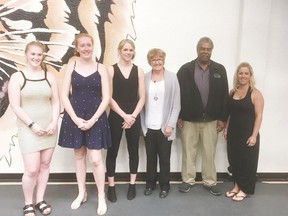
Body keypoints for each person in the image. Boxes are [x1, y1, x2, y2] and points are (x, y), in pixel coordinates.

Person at [58, 33, 111, 215]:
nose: (86, 48)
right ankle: (82, 192)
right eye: (82, 45)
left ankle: (101, 196)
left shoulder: (101, 68)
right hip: (75, 116)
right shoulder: (71, 66)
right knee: (79, 155)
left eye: (89, 45)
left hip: (96, 117)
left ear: (93, 46)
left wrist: (93, 119)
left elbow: (107, 98)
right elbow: (64, 95)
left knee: (96, 159)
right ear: (77, 48)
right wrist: (75, 118)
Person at [8, 41, 60, 216]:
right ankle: (28, 203)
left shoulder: (49, 76)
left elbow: (56, 101)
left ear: (43, 56)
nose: (36, 57)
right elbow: (15, 106)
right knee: (31, 169)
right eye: (33, 54)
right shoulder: (17, 77)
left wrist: (54, 122)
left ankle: (40, 200)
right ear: (26, 54)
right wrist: (32, 124)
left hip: (49, 128)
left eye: (39, 54)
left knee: (45, 165)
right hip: (29, 128)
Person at [177, 37, 229, 196]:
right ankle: (187, 180)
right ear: (197, 49)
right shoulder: (185, 70)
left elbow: (224, 96)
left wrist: (223, 118)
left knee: (209, 152)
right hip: (189, 119)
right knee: (188, 151)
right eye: (202, 48)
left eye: (208, 49)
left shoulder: (220, 70)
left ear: (211, 50)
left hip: (211, 120)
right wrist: (178, 116)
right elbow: (178, 95)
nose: (205, 51)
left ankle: (210, 181)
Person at [106, 39, 145, 202]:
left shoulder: (139, 71)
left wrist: (133, 116)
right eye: (125, 49)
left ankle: (132, 184)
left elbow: (142, 97)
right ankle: (112, 186)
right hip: (116, 114)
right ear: (119, 50)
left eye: (131, 50)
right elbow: (108, 97)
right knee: (112, 151)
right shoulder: (111, 70)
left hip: (134, 114)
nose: (128, 52)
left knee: (133, 151)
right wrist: (124, 116)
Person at [140, 48, 180, 198]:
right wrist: (143, 127)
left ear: (163, 61)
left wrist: (170, 124)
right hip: (149, 126)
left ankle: (165, 185)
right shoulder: (144, 78)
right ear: (149, 62)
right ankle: (150, 184)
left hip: (165, 128)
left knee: (164, 158)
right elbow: (141, 103)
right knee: (150, 158)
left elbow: (176, 104)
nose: (156, 62)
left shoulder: (172, 78)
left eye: (159, 59)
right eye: (153, 60)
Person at [224, 62, 264, 201]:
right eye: (241, 73)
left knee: (246, 162)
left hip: (248, 134)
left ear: (250, 75)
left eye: (246, 73)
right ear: (237, 75)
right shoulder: (233, 92)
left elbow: (259, 115)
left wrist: (254, 135)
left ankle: (245, 189)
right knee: (234, 161)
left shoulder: (255, 93)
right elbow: (230, 113)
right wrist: (226, 129)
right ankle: (236, 186)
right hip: (233, 133)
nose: (243, 76)